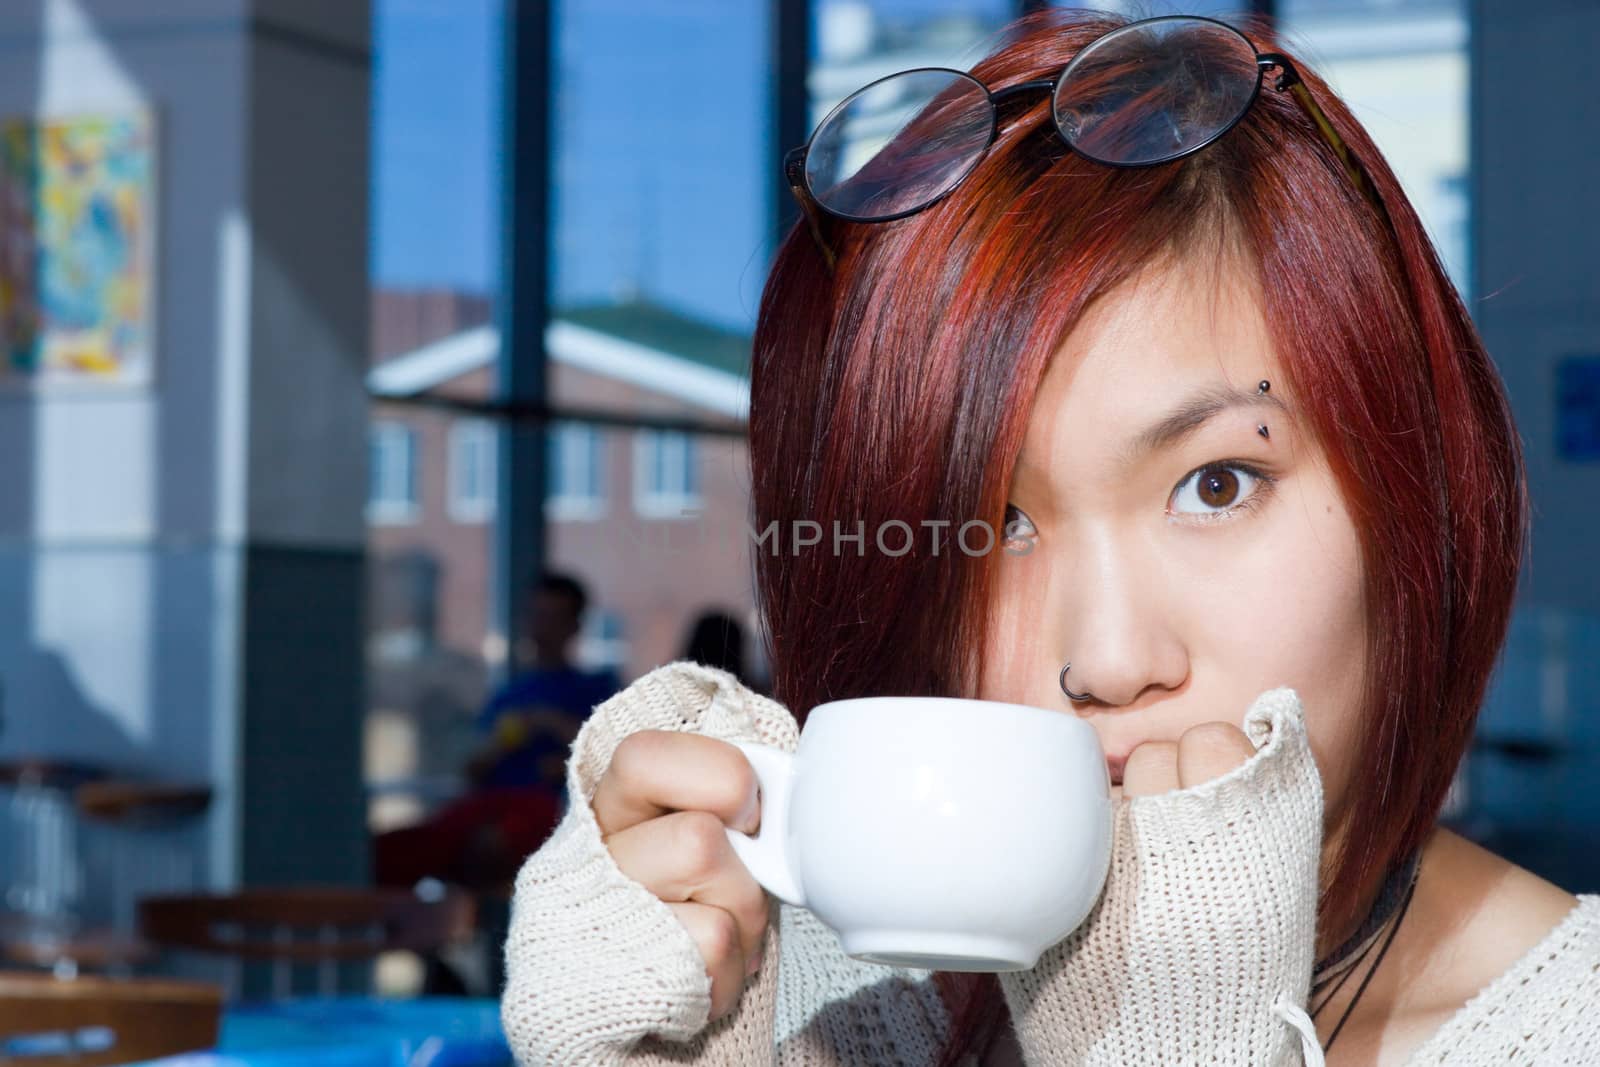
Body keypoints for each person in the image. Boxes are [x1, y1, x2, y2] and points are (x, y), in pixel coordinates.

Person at [498, 10, 1599, 1066]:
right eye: (990, 526)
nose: (1111, 661)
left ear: (1414, 496)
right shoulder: (833, 1008)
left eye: (1217, 484)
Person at [373, 571, 620, 888]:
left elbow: (611, 755)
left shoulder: (596, 688)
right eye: (537, 616)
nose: (542, 628)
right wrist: (501, 744)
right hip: (490, 805)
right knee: (392, 850)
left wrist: (549, 727)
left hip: (552, 814)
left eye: (552, 617)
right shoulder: (509, 695)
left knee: (497, 842)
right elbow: (471, 768)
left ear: (574, 626)